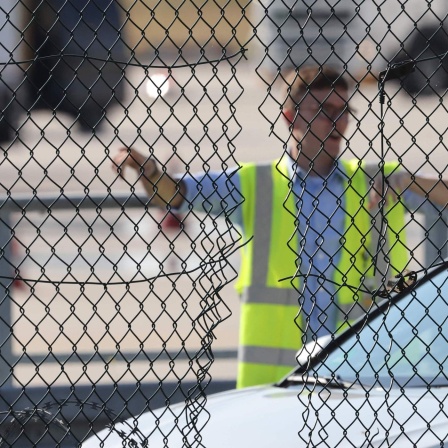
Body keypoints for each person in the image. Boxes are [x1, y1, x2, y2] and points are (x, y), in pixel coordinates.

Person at [112, 66, 448, 389]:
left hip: (357, 374)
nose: (338, 121)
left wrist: (411, 182)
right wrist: (151, 173)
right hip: (277, 380)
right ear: (290, 117)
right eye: (324, 110)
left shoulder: (373, 180)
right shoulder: (255, 183)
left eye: (344, 110)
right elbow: (177, 194)